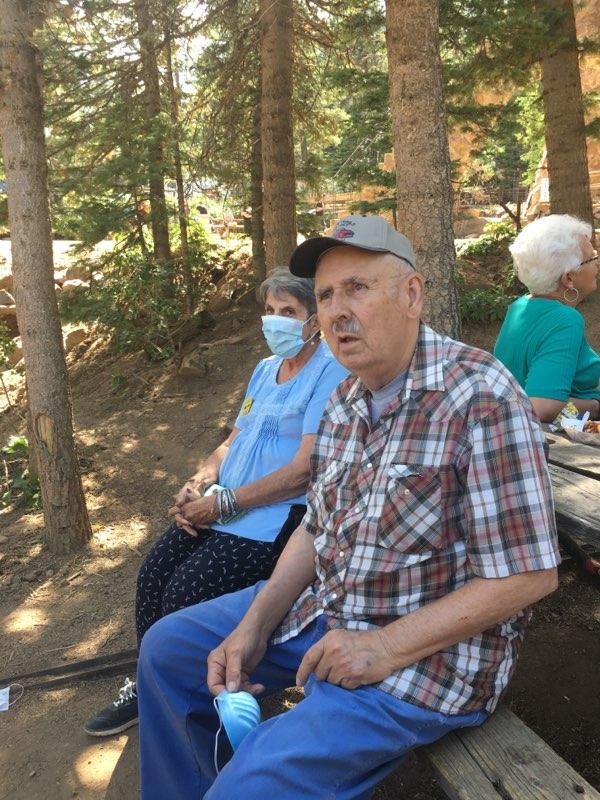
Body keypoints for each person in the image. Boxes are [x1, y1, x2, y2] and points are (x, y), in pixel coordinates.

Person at [137, 216, 559, 800]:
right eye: (328, 295)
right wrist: (255, 624)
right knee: (169, 649)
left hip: (425, 656)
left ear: (412, 295)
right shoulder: (345, 399)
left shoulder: (481, 397)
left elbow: (528, 574)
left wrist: (382, 646)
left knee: (254, 779)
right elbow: (318, 525)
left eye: (357, 288)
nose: (336, 310)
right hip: (330, 609)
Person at [83, 267, 348, 737]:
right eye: (270, 311)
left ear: (313, 321)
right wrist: (201, 479)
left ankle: (200, 708)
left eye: (289, 312)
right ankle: (152, 689)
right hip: (223, 507)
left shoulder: (329, 371)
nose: (276, 321)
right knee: (152, 578)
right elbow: (232, 441)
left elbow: (306, 468)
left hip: (275, 520)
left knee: (184, 594)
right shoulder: (265, 371)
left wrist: (223, 504)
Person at [494, 214, 600, 423]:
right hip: (555, 447)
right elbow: (541, 407)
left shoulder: (520, 306)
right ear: (569, 277)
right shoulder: (565, 320)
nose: (597, 263)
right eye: (592, 257)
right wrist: (594, 407)